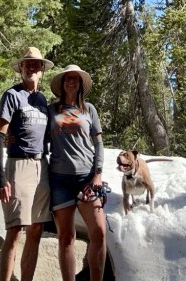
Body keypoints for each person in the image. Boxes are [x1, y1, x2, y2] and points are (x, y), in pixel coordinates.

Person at [0, 47, 54, 281]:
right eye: (27, 64)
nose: (31, 67)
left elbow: (45, 134)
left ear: (41, 70)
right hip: (18, 165)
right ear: (21, 68)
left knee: (36, 229)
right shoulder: (12, 95)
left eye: (36, 64)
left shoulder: (42, 100)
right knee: (14, 230)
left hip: (42, 166)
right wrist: (0, 177)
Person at [47, 64, 108, 281]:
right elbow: (39, 138)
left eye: (75, 79)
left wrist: (98, 174)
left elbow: (99, 144)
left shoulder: (89, 110)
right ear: (62, 84)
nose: (71, 82)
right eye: (67, 79)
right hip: (59, 179)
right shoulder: (51, 110)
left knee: (99, 233)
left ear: (80, 84)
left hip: (87, 178)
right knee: (65, 238)